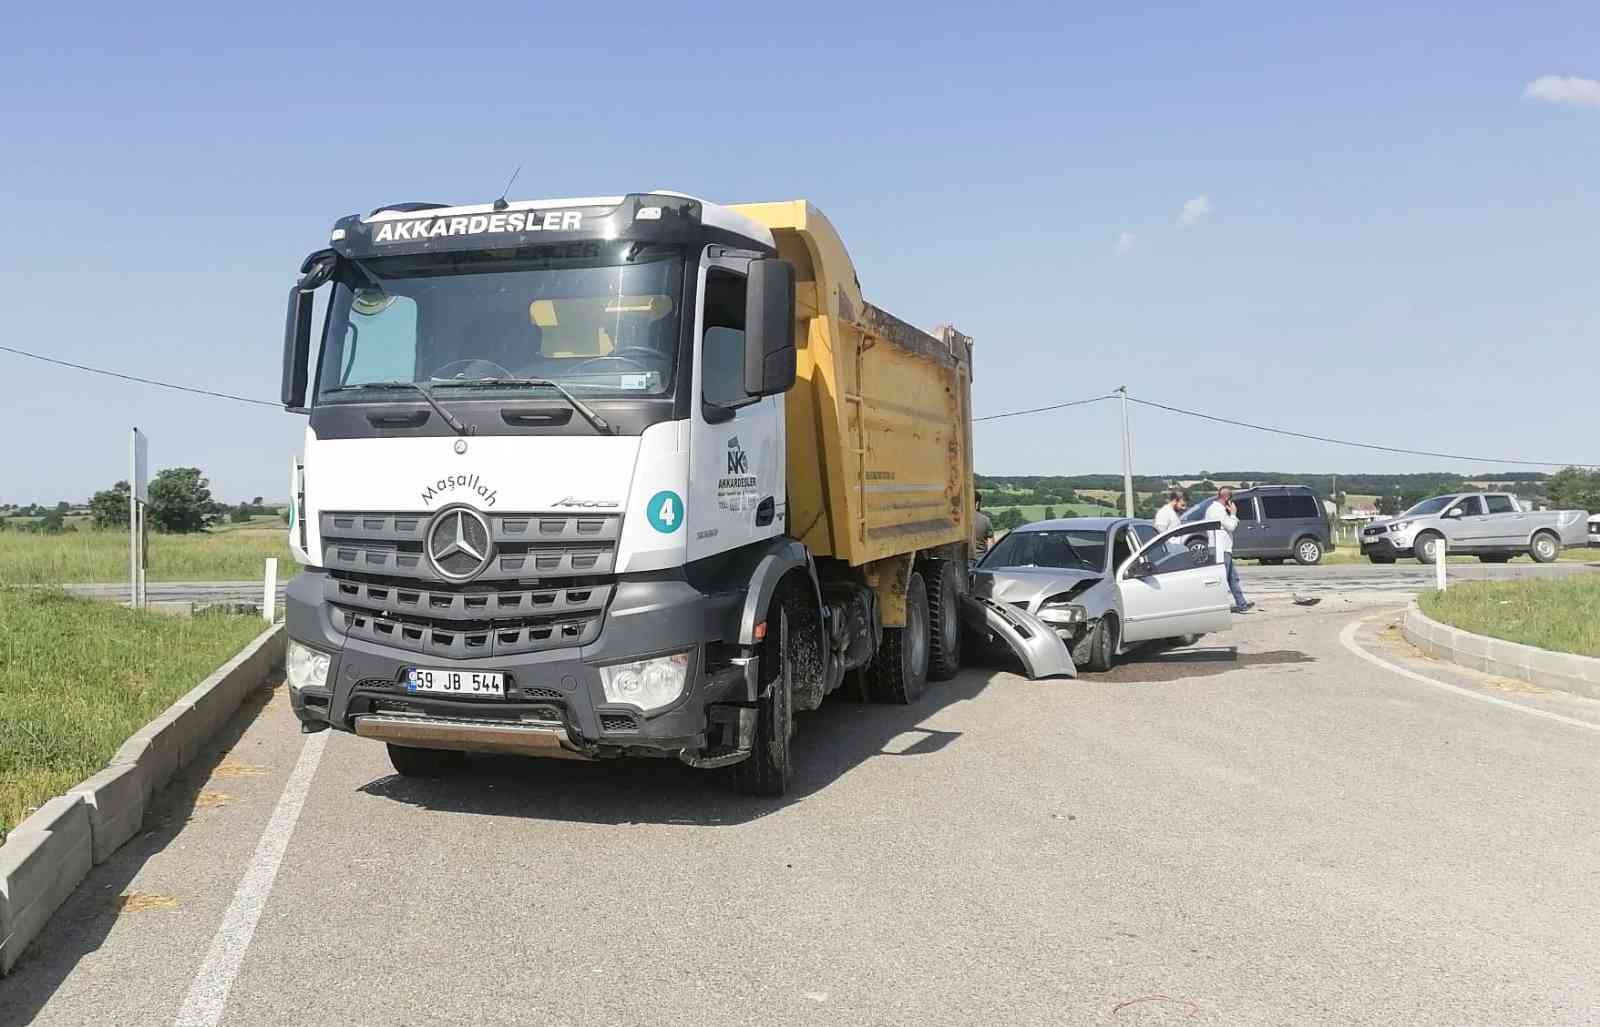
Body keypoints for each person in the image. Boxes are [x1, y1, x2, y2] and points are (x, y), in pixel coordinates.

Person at [1200, 487, 1252, 613]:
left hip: (1222, 549)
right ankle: (1215, 608)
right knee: (1222, 580)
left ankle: (1242, 604)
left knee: (1232, 579)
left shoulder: (1212, 509)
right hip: (1221, 549)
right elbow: (1231, 526)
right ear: (1227, 498)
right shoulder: (1218, 510)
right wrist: (1233, 513)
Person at [972, 492, 994, 560]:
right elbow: (991, 544)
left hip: (960, 560)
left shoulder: (956, 520)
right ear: (977, 503)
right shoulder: (985, 520)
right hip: (980, 559)